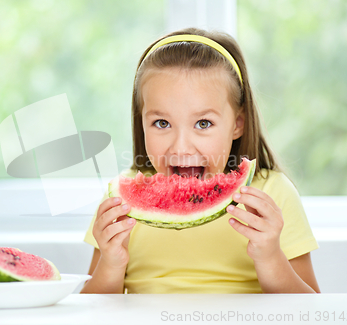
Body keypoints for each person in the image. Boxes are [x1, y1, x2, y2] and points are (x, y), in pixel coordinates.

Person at [80, 27, 320, 294]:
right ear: (142, 123)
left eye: (203, 123)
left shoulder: (272, 194)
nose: (181, 146)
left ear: (237, 124)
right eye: (162, 123)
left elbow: (311, 310)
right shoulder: (120, 202)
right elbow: (92, 310)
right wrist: (112, 264)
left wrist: (270, 257)